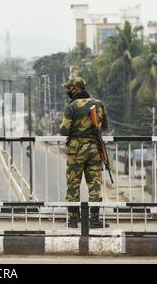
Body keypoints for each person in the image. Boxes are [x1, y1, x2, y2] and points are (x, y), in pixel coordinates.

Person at [60, 77, 109, 229]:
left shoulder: (72, 106)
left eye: (70, 88)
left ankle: (73, 220)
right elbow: (105, 125)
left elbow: (64, 130)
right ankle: (94, 220)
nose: (68, 91)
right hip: (94, 149)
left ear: (75, 89)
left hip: (76, 150)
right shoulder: (98, 103)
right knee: (94, 185)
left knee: (73, 184)